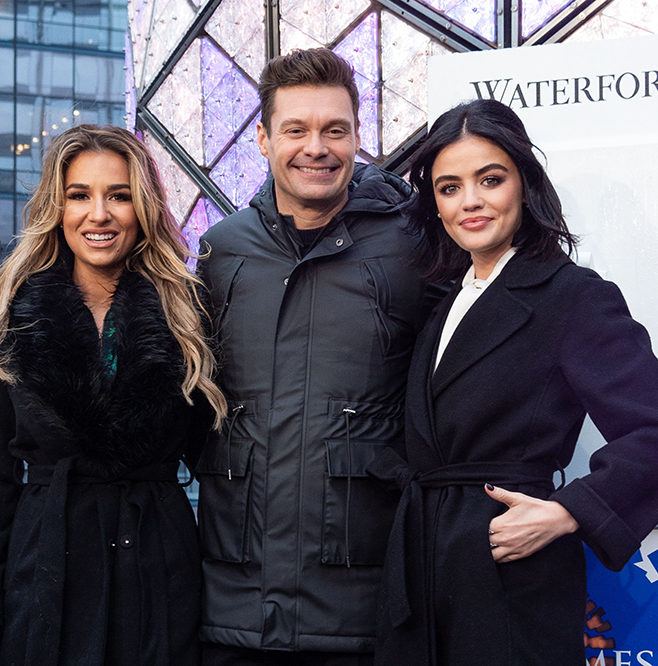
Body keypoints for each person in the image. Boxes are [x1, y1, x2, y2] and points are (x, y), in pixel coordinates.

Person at [366, 99, 658, 665]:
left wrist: (570, 510)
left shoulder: (574, 295)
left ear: (524, 184)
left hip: (509, 572)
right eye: (449, 187)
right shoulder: (446, 301)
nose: (470, 201)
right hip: (424, 562)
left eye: (490, 179)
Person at [195, 48, 441, 665]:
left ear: (360, 135)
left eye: (335, 129)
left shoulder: (417, 247)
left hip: (363, 607)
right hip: (232, 610)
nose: (317, 147)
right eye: (296, 129)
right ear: (262, 138)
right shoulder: (221, 253)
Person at [0, 124, 226, 666]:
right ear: (58, 208)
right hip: (45, 574)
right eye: (79, 195)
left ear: (142, 209)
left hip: (158, 573)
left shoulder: (188, 320)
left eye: (118, 196)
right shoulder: (12, 325)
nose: (98, 214)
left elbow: (219, 466)